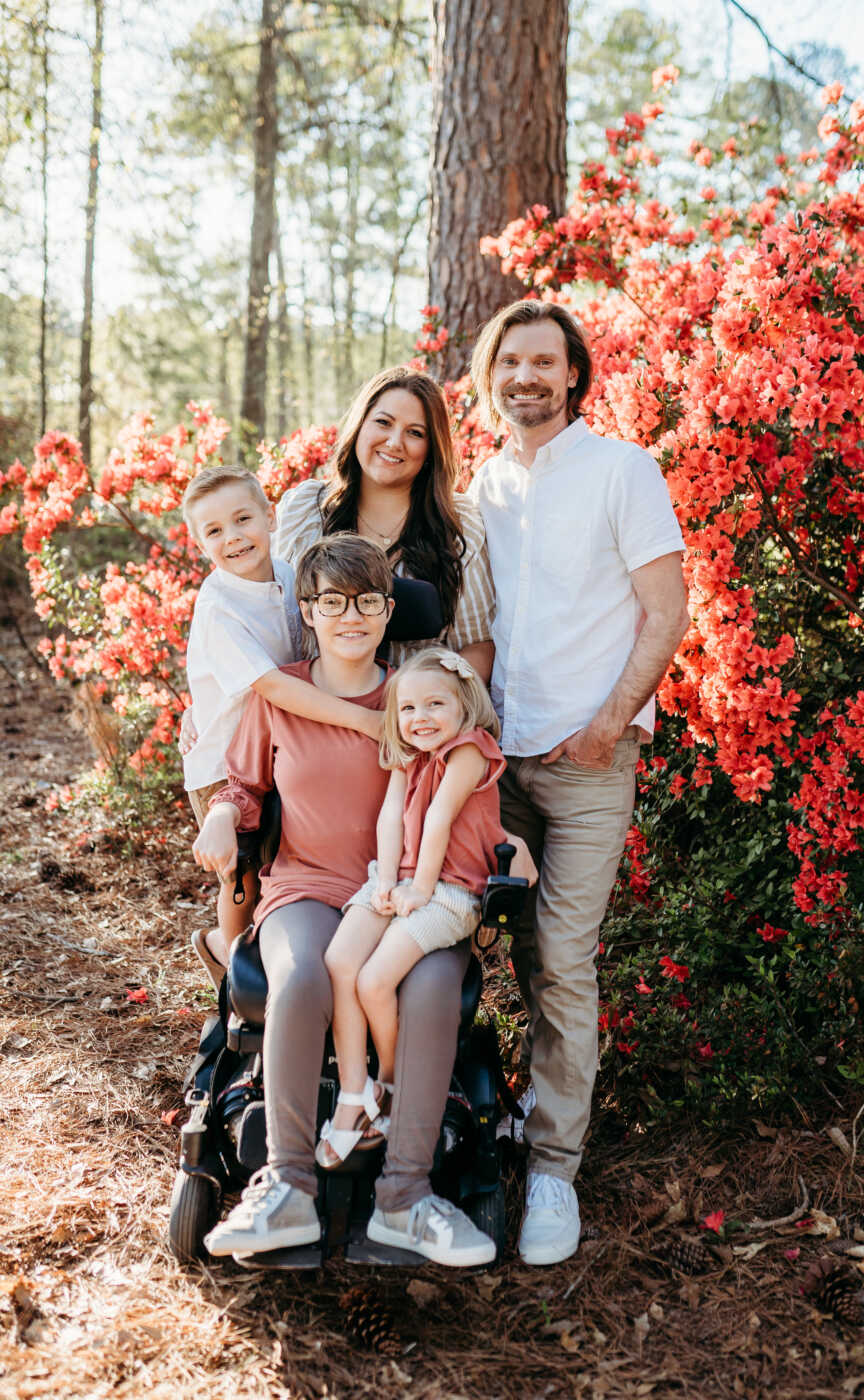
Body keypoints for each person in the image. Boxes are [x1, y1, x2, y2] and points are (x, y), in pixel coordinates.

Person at [195, 534, 498, 1267]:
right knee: (300, 976)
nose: (350, 617)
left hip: (400, 892)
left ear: (389, 612)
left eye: (366, 602)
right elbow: (244, 787)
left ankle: (405, 1195)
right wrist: (217, 815)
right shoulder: (281, 695)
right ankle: (290, 1184)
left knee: (430, 987)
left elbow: (471, 791)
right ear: (309, 611)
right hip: (305, 883)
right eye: (332, 603)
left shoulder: (420, 698)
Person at [467, 300, 690, 1266]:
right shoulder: (483, 485)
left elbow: (665, 611)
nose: (526, 376)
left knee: (562, 957)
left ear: (573, 376)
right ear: (491, 378)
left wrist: (608, 726)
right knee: (489, 947)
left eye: (543, 362)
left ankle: (553, 1168)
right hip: (495, 763)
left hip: (589, 763)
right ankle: (503, 1114)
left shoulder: (621, 470)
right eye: (509, 361)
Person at [316, 646, 537, 1174]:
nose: (421, 719)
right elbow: (391, 817)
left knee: (373, 982)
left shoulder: (470, 750)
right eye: (409, 709)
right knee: (340, 960)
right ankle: (355, 1089)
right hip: (401, 877)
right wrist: (387, 883)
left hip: (449, 888)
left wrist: (417, 889)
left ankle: (392, 1081)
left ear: (463, 705)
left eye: (435, 704)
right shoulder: (408, 751)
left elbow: (438, 820)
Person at [181, 466, 385, 984]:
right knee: (242, 869)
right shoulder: (218, 607)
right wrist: (363, 718)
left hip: (290, 746)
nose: (233, 537)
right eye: (214, 531)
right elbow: (273, 685)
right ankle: (233, 965)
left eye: (243, 519)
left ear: (270, 517)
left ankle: (260, 949)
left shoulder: (292, 576)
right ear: (198, 543)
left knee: (279, 854)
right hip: (227, 761)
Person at [274, 365, 495, 683]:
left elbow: (478, 645)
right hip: (314, 713)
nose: (394, 442)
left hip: (416, 721)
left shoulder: (459, 524)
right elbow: (274, 624)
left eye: (415, 433)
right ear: (359, 425)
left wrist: (413, 704)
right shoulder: (304, 510)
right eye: (383, 422)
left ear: (431, 449)